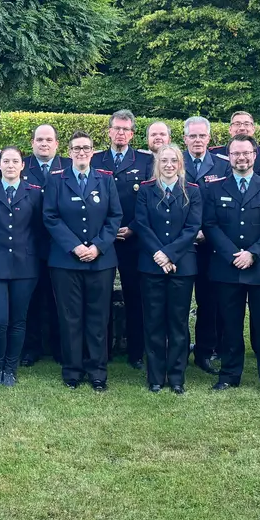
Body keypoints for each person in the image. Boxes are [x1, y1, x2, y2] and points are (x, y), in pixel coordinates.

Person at [201, 137, 260, 397]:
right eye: (236, 153)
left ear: (255, 155)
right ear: (229, 156)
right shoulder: (215, 188)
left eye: (246, 153)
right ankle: (229, 374)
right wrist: (232, 254)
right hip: (227, 268)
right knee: (230, 326)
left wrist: (253, 253)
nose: (241, 158)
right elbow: (210, 225)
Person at [43, 132, 122, 391]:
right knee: (70, 318)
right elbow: (51, 217)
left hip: (101, 262)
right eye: (76, 148)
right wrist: (75, 246)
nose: (81, 152)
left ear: (92, 151)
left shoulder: (106, 180)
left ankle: (97, 370)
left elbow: (115, 216)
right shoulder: (57, 180)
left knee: (98, 318)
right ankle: (72, 370)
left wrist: (97, 246)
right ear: (69, 151)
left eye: (86, 148)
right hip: (66, 262)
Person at [130, 145, 203, 394]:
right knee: (153, 322)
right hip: (151, 265)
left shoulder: (192, 191)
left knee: (178, 323)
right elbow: (141, 223)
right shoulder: (146, 190)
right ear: (157, 163)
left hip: (182, 266)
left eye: (173, 160)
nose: (169, 164)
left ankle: (177, 376)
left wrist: (170, 254)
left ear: (180, 164)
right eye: (164, 160)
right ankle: (155, 376)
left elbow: (192, 227)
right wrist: (159, 255)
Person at [0, 146, 46, 387]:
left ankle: (11, 368)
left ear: (22, 165)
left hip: (24, 265)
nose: (11, 165)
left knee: (18, 320)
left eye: (15, 161)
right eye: (6, 161)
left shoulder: (34, 193)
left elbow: (39, 228)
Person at [94, 109, 153, 370]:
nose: (120, 133)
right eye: (116, 128)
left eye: (126, 129)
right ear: (109, 131)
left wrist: (133, 228)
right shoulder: (95, 159)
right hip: (101, 241)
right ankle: (102, 350)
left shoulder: (145, 161)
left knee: (135, 296)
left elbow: (150, 203)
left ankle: (136, 352)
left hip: (133, 240)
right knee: (100, 297)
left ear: (132, 133)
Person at [182, 117, 230, 373]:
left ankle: (204, 352)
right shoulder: (173, 161)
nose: (197, 140)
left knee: (208, 301)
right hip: (181, 245)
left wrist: (207, 232)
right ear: (185, 138)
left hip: (211, 246)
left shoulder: (223, 165)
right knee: (179, 301)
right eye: (193, 136)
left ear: (209, 139)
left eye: (202, 136)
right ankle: (178, 350)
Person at [19, 124, 69, 367]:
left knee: (61, 299)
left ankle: (60, 347)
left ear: (57, 144)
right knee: (32, 299)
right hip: (29, 244)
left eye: (49, 139)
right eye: (39, 139)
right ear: (32, 143)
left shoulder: (68, 167)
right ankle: (31, 347)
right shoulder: (21, 166)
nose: (44, 144)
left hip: (62, 246)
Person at [211, 111, 260, 178]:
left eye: (246, 124)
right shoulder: (215, 154)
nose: (242, 128)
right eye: (237, 124)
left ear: (253, 129)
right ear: (230, 129)